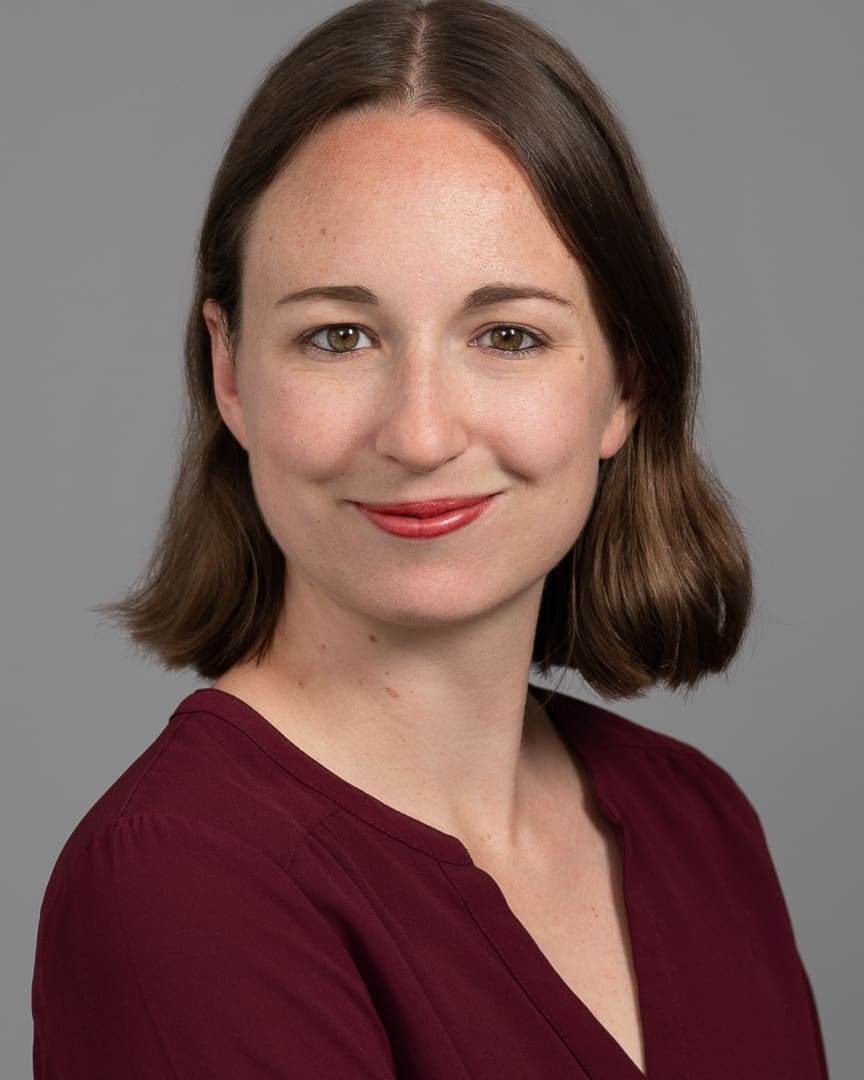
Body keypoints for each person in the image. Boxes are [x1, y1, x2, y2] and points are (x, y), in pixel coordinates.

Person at [31, 1, 828, 1076]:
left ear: (624, 383)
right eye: (338, 336)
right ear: (230, 374)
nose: (418, 432)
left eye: (507, 335)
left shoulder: (699, 822)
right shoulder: (178, 883)